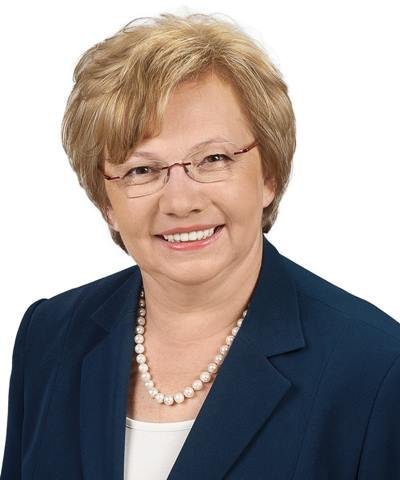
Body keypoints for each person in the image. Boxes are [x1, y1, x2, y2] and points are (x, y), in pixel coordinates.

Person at [1, 11, 399, 480]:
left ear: (269, 175)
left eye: (213, 158)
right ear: (106, 201)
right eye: (141, 170)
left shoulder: (376, 368)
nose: (181, 201)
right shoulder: (49, 336)